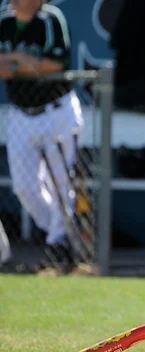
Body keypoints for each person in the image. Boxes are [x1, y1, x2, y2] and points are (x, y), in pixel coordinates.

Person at [0, 0, 83, 269]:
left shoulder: (50, 18)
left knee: (61, 183)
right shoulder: (4, 23)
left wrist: (11, 64)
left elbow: (56, 63)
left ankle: (58, 244)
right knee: (25, 187)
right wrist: (22, 63)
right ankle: (60, 236)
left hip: (56, 111)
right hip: (22, 114)